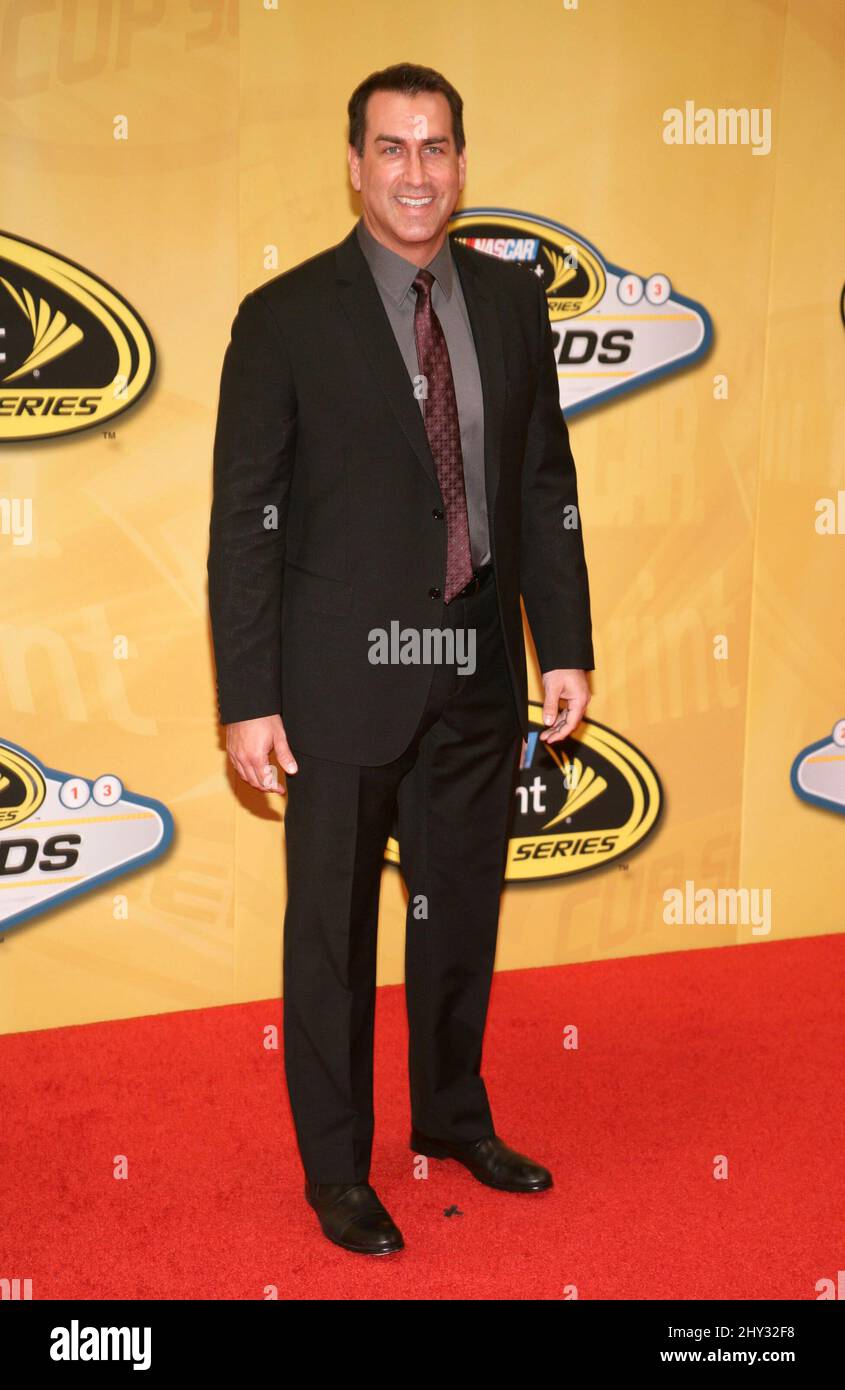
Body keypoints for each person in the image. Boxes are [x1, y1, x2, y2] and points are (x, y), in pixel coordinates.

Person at [207, 61, 594, 1256]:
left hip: (474, 663)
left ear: (461, 164)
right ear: (354, 162)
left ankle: (451, 1116)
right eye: (391, 148)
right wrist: (247, 697)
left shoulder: (509, 303)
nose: (414, 172)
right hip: (336, 678)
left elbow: (540, 484)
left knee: (458, 912)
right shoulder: (282, 319)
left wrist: (563, 644)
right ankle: (337, 1169)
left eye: (435, 148)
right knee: (330, 930)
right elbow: (244, 519)